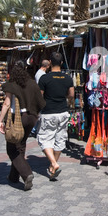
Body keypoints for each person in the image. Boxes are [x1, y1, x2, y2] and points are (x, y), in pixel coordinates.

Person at [0, 61, 46, 191]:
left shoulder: (12, 85)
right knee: (21, 145)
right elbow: (40, 101)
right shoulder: (32, 84)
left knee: (11, 148)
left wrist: (0, 120)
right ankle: (13, 176)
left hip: (17, 118)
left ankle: (26, 173)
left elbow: (7, 104)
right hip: (31, 118)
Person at [38, 52, 74, 180]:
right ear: (62, 63)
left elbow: (39, 96)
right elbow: (71, 95)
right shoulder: (68, 78)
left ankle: (53, 163)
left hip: (48, 112)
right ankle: (52, 168)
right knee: (60, 139)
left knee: (44, 139)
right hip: (63, 112)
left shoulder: (44, 78)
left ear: (50, 62)